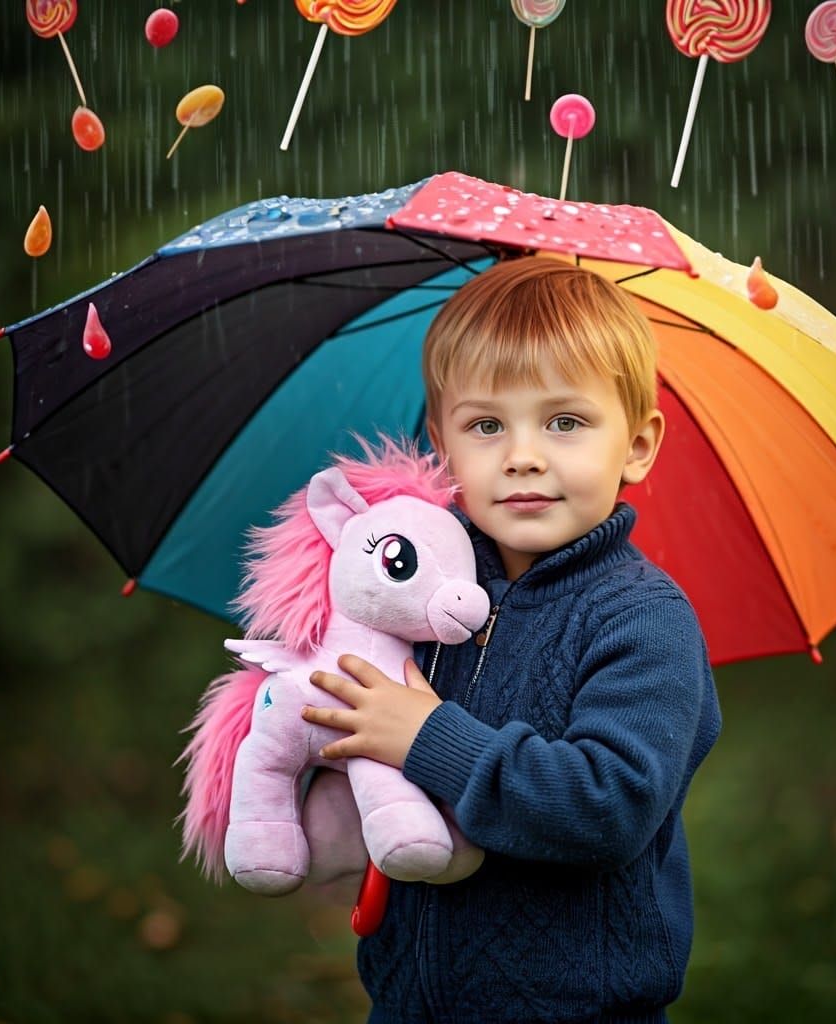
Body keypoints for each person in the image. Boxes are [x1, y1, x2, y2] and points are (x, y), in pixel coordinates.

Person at [301, 257, 722, 1024]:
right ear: (442, 442)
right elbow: (358, 741)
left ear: (636, 444)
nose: (523, 455)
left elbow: (611, 805)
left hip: (576, 1010)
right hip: (406, 1000)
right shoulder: (412, 591)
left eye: (565, 422)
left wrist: (430, 738)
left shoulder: (641, 620)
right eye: (487, 425)